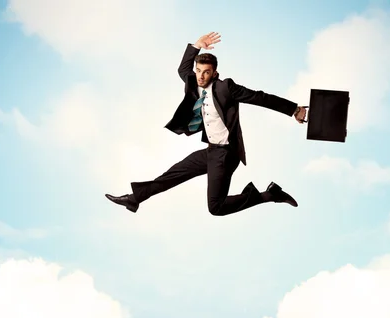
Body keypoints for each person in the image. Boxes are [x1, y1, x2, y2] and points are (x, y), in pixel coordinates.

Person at [105, 32, 307, 215]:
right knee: (173, 174)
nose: (201, 76)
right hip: (211, 151)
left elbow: (261, 98)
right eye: (198, 71)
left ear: (215, 74)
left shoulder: (226, 88)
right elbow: (182, 69)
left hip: (227, 154)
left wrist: (294, 110)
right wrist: (196, 46)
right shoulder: (194, 82)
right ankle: (134, 199)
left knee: (216, 208)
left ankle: (269, 195)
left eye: (206, 72)